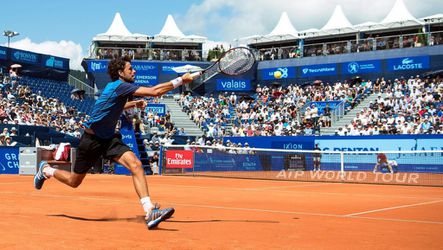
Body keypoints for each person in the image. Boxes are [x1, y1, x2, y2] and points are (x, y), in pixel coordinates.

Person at [33, 55, 194, 229]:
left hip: (109, 139)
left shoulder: (117, 89)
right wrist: (181, 80)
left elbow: (117, 107)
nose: (134, 71)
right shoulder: (120, 86)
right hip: (91, 141)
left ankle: (149, 211)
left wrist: (134, 104)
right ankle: (46, 169)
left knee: (136, 165)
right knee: (74, 181)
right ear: (120, 72)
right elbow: (155, 91)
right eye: (130, 68)